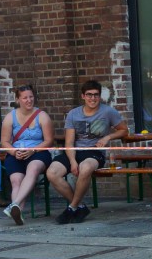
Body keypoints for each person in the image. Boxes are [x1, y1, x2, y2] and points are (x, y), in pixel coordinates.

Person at [46, 80, 128, 224]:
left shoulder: (108, 112)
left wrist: (108, 136)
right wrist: (72, 161)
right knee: (51, 173)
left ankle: (72, 207)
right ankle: (80, 206)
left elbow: (124, 130)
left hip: (94, 152)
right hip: (75, 152)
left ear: (100, 96)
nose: (93, 98)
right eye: (89, 95)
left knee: (86, 168)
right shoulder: (73, 114)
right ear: (83, 96)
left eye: (96, 95)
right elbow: (69, 142)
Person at [0, 85, 54, 225]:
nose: (29, 100)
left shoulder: (42, 116)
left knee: (33, 169)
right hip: (17, 153)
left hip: (38, 152)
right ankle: (17, 212)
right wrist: (14, 152)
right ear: (18, 100)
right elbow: (5, 142)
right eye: (25, 98)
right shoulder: (10, 117)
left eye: (31, 97)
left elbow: (49, 141)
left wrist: (33, 150)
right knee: (16, 180)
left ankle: (15, 204)